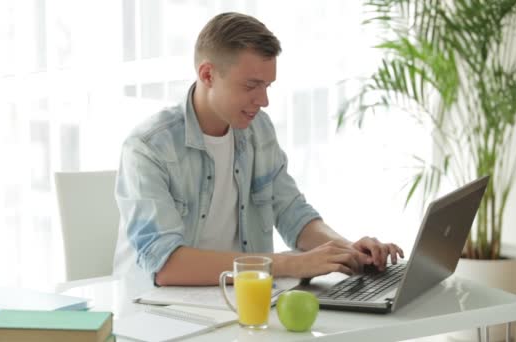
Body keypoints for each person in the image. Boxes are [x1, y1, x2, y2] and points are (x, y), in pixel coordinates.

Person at [113, 12, 403, 287]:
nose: (263, 100)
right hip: (155, 313)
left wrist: (348, 251)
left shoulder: (257, 130)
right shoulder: (148, 148)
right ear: (208, 75)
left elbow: (293, 213)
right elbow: (166, 267)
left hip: (237, 300)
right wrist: (292, 265)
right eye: (251, 85)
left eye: (267, 86)